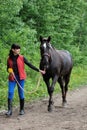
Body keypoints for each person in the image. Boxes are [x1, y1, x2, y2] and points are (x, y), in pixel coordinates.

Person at [6, 43, 45, 116]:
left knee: (21, 93)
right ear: (13, 50)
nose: (18, 50)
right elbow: (7, 68)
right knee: (10, 92)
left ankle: (22, 110)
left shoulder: (22, 57)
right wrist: (9, 70)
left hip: (21, 78)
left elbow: (30, 64)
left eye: (19, 48)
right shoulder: (9, 59)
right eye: (17, 49)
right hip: (12, 78)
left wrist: (39, 70)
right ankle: (9, 110)